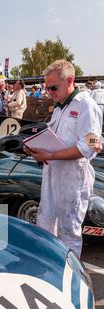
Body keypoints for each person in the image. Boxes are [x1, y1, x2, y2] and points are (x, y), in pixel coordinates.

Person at [28, 60, 103, 257]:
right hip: (52, 175)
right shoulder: (60, 107)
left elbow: (92, 145)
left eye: (53, 87)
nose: (49, 92)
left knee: (69, 234)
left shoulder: (86, 105)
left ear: (70, 81)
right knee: (46, 225)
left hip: (73, 180)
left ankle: (69, 279)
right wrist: (37, 148)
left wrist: (52, 154)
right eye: (47, 88)